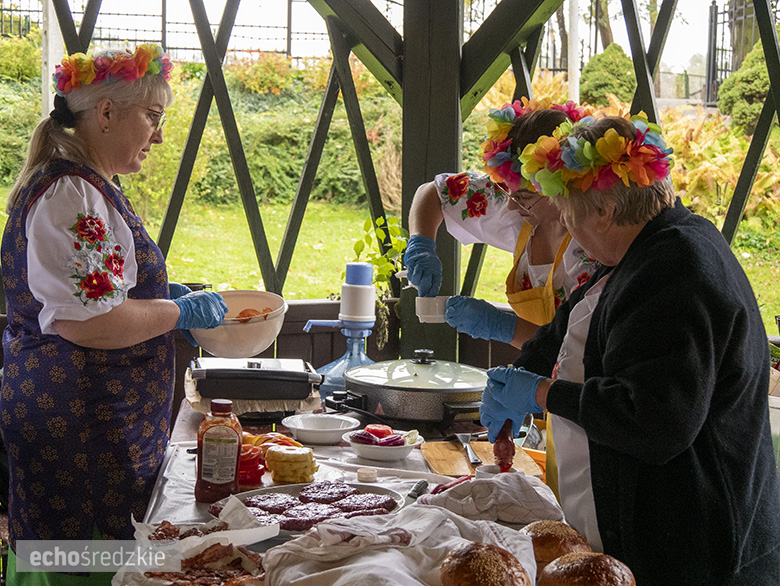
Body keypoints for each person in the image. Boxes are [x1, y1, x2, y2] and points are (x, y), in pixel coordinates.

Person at [479, 113, 780, 585]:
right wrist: (520, 371)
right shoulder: (637, 250)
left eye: (568, 211)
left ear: (606, 211)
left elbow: (656, 421)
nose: (564, 224)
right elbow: (569, 322)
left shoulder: (678, 268)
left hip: (697, 549)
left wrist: (540, 394)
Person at [0, 44, 228, 585]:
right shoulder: (71, 193)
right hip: (85, 439)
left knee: (91, 560)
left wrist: (156, 294)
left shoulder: (82, 185)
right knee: (83, 565)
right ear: (105, 112)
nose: (160, 134)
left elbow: (98, 295)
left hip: (95, 428)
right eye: (153, 116)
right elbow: (91, 322)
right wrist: (176, 310)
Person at [404, 98, 600, 349]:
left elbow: (579, 349)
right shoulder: (514, 202)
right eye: (508, 191)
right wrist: (421, 244)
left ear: (562, 188)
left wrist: (505, 327)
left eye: (524, 197)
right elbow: (433, 192)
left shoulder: (591, 252)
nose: (509, 205)